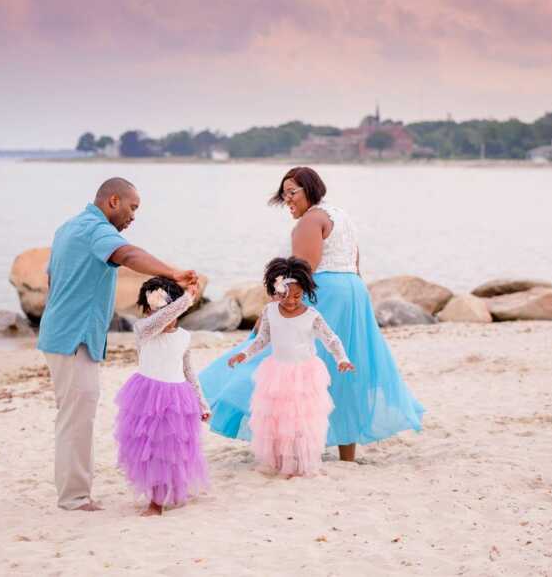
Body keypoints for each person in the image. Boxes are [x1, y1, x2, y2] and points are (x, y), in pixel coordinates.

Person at [200, 167, 424, 462]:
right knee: (343, 370)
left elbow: (301, 273)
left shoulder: (310, 221)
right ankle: (346, 451)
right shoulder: (340, 215)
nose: (288, 200)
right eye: (284, 195)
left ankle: (285, 442)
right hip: (354, 293)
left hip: (326, 292)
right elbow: (355, 262)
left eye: (293, 192)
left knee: (288, 362)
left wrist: (271, 313)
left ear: (311, 189)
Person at [38, 177, 198, 511]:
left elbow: (51, 280)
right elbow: (128, 254)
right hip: (73, 337)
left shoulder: (68, 227)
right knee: (76, 419)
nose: (133, 216)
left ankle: (75, 491)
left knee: (73, 415)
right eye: (132, 207)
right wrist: (173, 273)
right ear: (113, 201)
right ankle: (74, 498)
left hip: (61, 333)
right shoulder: (97, 230)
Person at [228, 257, 353, 477]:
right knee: (276, 419)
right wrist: (244, 354)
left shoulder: (311, 315)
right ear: (275, 291)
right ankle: (278, 461)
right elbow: (263, 339)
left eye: (297, 295)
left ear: (305, 291)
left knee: (301, 420)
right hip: (276, 372)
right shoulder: (270, 311)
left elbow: (331, 339)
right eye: (285, 295)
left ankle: (299, 461)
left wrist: (341, 358)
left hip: (305, 374)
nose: (291, 301)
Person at [115, 277, 210, 516]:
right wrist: (187, 297)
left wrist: (201, 402)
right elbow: (162, 317)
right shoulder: (144, 329)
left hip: (178, 398)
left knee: (175, 450)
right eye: (156, 310)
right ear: (147, 311)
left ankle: (174, 492)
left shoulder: (184, 337)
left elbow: (188, 370)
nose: (166, 316)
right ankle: (155, 502)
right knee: (153, 450)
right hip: (148, 398)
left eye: (170, 309)